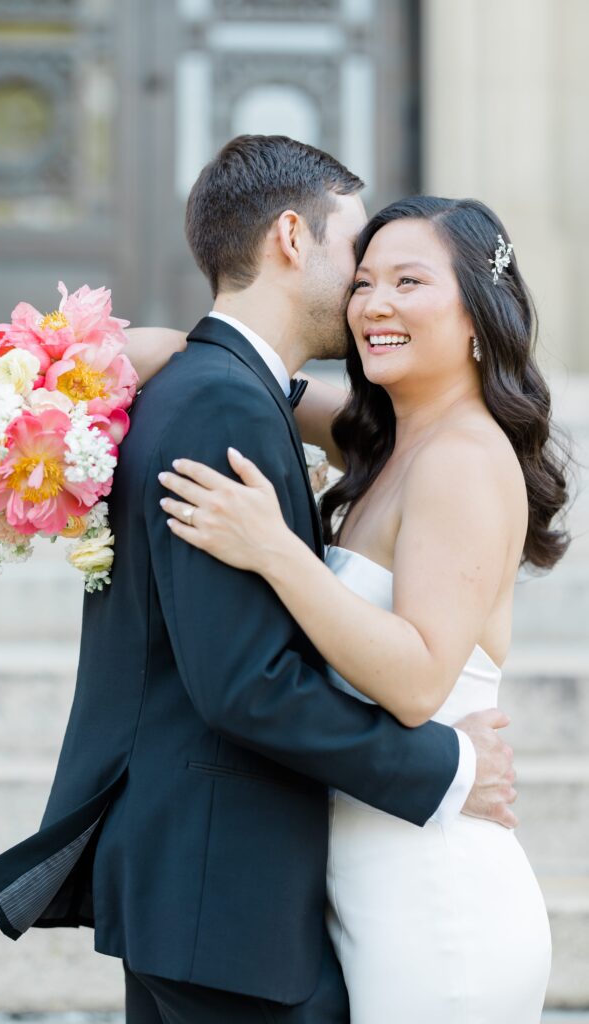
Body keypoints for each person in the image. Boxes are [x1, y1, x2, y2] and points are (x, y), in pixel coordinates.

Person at [0, 138, 517, 1024]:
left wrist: (162, 352)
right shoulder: (222, 398)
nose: (365, 294)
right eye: (358, 261)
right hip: (221, 884)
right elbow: (243, 683)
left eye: (403, 281)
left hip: (238, 883)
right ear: (294, 238)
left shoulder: (246, 394)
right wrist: (447, 765)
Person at [156, 194, 570, 1021]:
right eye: (364, 280)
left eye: (409, 282)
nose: (374, 305)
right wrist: (123, 353)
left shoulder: (460, 455)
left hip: (436, 899)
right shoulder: (386, 439)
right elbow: (235, 372)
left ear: (477, 316)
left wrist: (276, 550)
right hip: (369, 875)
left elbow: (418, 683)